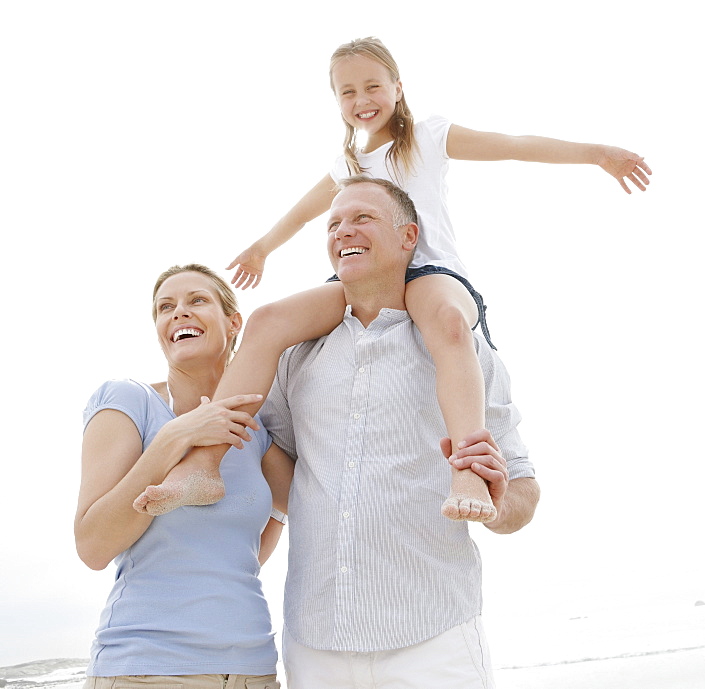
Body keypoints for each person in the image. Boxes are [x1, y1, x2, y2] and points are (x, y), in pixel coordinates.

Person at [133, 36, 648, 521]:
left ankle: (468, 471)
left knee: (447, 322)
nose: (362, 99)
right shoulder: (349, 163)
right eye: (348, 91)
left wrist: (596, 153)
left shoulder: (429, 137)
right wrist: (262, 248)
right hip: (357, 280)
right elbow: (303, 212)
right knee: (268, 320)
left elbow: (513, 143)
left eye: (373, 85)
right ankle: (203, 465)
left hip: (427, 272)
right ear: (336, 102)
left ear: (398, 88)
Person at [260, 176, 539, 688]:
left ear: (409, 237)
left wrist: (499, 507)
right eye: (334, 223)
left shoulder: (466, 354)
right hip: (315, 643)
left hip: (434, 638)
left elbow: (522, 484)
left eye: (362, 217)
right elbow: (274, 472)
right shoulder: (295, 356)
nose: (344, 230)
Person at [75, 264, 293, 688]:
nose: (178, 313)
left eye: (197, 301)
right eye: (165, 307)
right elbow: (93, 546)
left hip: (253, 669)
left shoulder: (258, 428)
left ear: (234, 323)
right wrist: (175, 437)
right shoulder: (128, 401)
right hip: (147, 667)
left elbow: (268, 534)